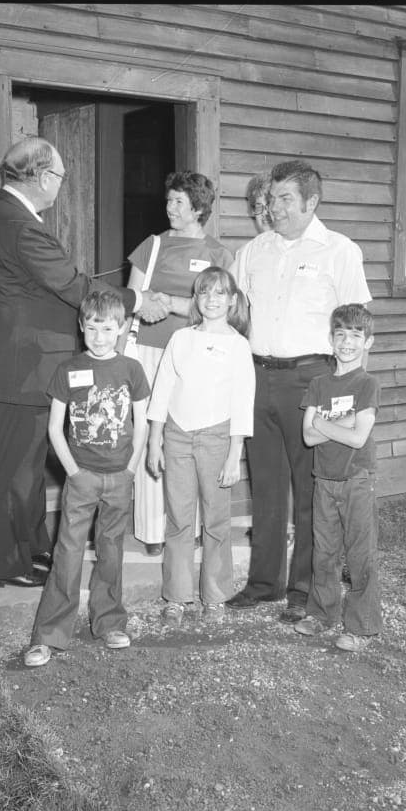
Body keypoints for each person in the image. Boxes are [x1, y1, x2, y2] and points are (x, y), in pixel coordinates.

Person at [0, 137, 165, 589]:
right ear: (41, 177)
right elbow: (73, 287)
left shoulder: (3, 215)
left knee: (28, 468)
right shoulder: (20, 224)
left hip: (21, 366)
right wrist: (136, 300)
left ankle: (29, 548)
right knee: (13, 471)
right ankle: (4, 565)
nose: (60, 185)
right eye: (58, 176)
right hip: (19, 369)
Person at [227, 160, 372, 624]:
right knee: (266, 486)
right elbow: (229, 310)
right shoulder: (254, 250)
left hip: (313, 379)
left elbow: (358, 325)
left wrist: (354, 396)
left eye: (285, 198)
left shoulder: (340, 251)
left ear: (311, 202)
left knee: (311, 488)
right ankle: (264, 583)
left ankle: (304, 587)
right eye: (272, 198)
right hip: (258, 375)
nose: (275, 207)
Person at [23, 290, 151, 667]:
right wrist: (73, 472)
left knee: (111, 551)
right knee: (67, 552)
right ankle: (48, 635)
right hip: (82, 479)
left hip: (119, 477)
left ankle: (110, 621)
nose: (99, 336)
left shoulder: (131, 370)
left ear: (122, 328)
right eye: (92, 328)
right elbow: (54, 427)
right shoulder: (67, 369)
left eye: (107, 328)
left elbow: (141, 423)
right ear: (81, 328)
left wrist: (130, 468)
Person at [126, 172, 233, 557]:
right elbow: (132, 299)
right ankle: (154, 530)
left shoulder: (220, 255)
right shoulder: (152, 246)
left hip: (196, 356)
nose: (170, 209)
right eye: (169, 201)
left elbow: (218, 307)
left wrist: (170, 302)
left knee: (192, 433)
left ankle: (195, 526)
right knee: (151, 431)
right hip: (152, 351)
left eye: (179, 203)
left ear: (199, 209)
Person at [146, 267, 255, 625]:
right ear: (196, 299)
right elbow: (162, 392)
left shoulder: (239, 345)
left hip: (216, 439)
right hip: (177, 435)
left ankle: (215, 596)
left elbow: (242, 402)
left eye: (220, 293)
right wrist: (154, 442)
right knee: (178, 519)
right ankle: (177, 596)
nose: (212, 299)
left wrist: (234, 454)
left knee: (216, 520)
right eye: (205, 293)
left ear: (232, 300)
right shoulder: (181, 338)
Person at [294, 304, 382, 652]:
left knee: (360, 554)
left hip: (357, 480)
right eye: (341, 334)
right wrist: (344, 424)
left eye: (356, 336)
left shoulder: (367, 383)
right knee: (324, 552)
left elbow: (359, 438)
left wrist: (324, 424)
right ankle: (322, 614)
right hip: (324, 480)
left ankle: (361, 626)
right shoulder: (318, 384)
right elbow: (308, 437)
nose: (348, 342)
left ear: (368, 343)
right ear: (331, 340)